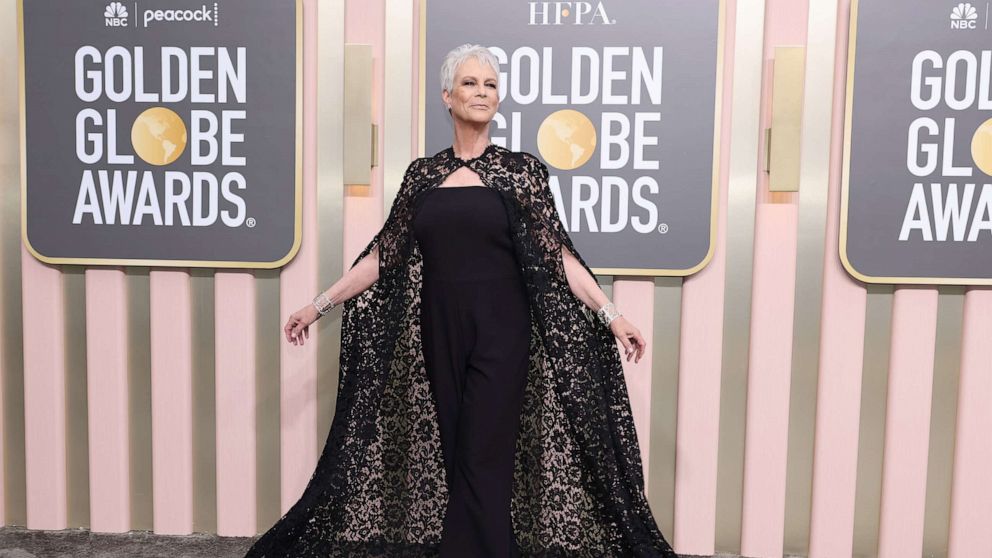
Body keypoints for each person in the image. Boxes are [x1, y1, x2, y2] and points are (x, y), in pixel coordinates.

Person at [245, 44, 678, 558]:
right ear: (447, 96)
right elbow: (384, 256)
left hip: (502, 332)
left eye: (491, 85)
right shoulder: (421, 176)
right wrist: (317, 304)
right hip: (441, 329)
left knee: (482, 456)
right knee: (458, 454)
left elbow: (556, 256)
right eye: (470, 83)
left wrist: (612, 314)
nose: (482, 93)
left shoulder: (521, 173)